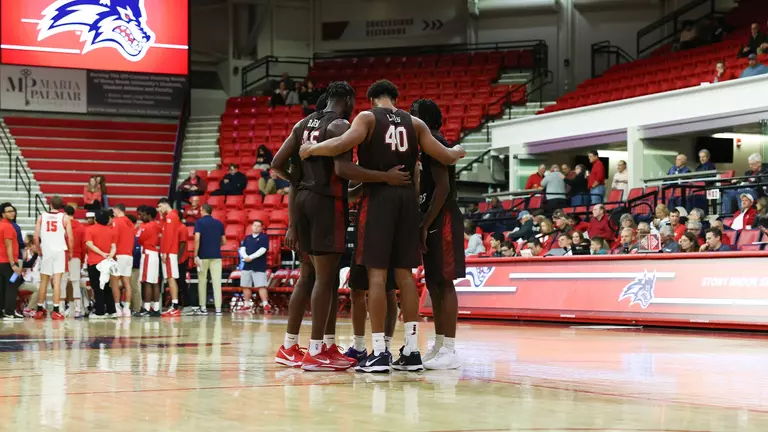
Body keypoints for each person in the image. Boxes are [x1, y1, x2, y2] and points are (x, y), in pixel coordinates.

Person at [298, 79, 465, 372]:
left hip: (378, 200)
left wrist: (312, 149)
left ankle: (378, 352)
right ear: (396, 99)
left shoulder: (366, 117)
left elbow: (341, 144)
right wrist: (459, 150)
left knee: (376, 276)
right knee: (405, 275)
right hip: (407, 203)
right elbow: (446, 155)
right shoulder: (414, 123)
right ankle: (412, 351)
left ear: (372, 98)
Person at [272, 81, 412, 372]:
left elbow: (276, 164)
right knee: (327, 279)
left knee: (308, 276)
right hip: (325, 204)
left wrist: (298, 182)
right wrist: (382, 177)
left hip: (303, 201)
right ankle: (315, 350)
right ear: (347, 99)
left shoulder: (301, 125)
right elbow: (343, 170)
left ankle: (292, 346)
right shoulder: (339, 125)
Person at [411, 99, 466, 370]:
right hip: (432, 217)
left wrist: (424, 224)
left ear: (425, 118)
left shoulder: (434, 141)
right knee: (433, 283)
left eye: (414, 115)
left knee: (444, 282)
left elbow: (442, 189)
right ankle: (440, 343)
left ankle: (451, 349)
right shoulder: (424, 144)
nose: (410, 119)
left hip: (442, 218)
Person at [33, 196, 73, 320]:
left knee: (44, 281)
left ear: (50, 204)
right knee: (57, 281)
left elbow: (35, 237)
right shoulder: (65, 217)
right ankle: (56, 310)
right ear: (61, 206)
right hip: (60, 251)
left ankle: (39, 309)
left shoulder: (41, 216)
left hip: (47, 251)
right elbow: (70, 238)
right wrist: (70, 252)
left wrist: (39, 250)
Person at [85, 210, 118, 318]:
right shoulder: (111, 231)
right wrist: (110, 255)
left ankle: (99, 311)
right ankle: (111, 310)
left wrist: (101, 253)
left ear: (96, 219)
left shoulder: (90, 230)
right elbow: (113, 246)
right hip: (106, 263)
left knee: (97, 287)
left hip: (94, 262)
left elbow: (89, 244)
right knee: (106, 286)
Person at [194, 203, 226, 315]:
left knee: (202, 281)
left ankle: (203, 307)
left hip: (203, 255)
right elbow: (224, 241)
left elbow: (197, 239)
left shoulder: (199, 222)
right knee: (217, 283)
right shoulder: (219, 223)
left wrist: (195, 254)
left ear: (203, 210)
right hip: (216, 256)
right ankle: (218, 308)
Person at [237, 220, 270, 313]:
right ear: (251, 226)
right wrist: (245, 257)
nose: (256, 227)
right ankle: (246, 304)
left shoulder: (264, 237)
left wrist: (251, 257)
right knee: (245, 285)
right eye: (254, 225)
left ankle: (265, 304)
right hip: (247, 265)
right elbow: (242, 249)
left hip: (259, 265)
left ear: (261, 228)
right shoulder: (247, 238)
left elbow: (263, 250)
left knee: (261, 285)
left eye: (258, 226)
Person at [108, 204, 135, 317]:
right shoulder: (130, 222)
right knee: (127, 283)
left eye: (114, 211)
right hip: (129, 255)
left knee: (114, 282)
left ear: (117, 210)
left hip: (119, 255)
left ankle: (117, 307)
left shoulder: (116, 221)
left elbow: (113, 237)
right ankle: (127, 308)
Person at [158, 198, 183, 317]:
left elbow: (169, 237)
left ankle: (175, 305)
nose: (159, 209)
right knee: (170, 277)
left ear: (165, 204)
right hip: (169, 252)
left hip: (170, 252)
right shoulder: (169, 217)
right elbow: (163, 233)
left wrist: (165, 252)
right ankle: (174, 305)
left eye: (159, 206)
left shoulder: (171, 216)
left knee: (171, 277)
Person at [136, 206, 162, 317]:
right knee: (155, 281)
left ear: (148, 215)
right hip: (155, 253)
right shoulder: (158, 225)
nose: (140, 217)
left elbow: (139, 239)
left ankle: (146, 308)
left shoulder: (145, 226)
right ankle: (156, 308)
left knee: (147, 281)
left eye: (142, 214)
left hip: (147, 254)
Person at [63, 205, 87, 318]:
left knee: (62, 283)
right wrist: (82, 260)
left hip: (63, 256)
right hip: (76, 256)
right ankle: (78, 310)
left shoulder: (62, 225)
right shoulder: (81, 227)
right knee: (76, 283)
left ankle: (61, 310)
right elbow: (83, 246)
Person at [0, 203, 22, 320]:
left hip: (1, 262)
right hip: (8, 262)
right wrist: (13, 263)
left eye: (13, 211)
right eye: (9, 211)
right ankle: (9, 312)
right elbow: (9, 246)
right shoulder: (8, 227)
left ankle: (2, 311)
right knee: (12, 286)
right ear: (3, 214)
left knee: (2, 287)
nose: (12, 213)